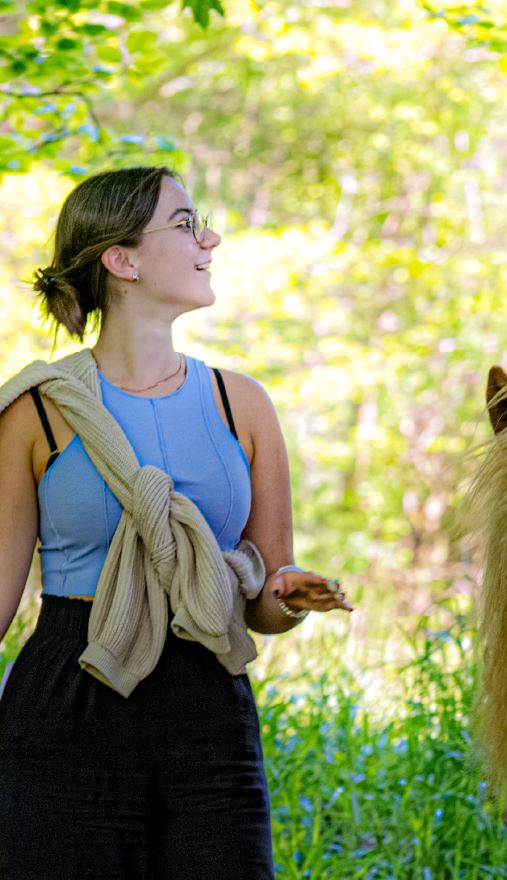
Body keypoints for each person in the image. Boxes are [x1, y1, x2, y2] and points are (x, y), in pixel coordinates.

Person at [0, 166, 352, 877]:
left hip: (207, 703)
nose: (210, 237)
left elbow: (263, 600)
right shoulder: (37, 411)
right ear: (121, 260)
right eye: (186, 223)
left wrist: (290, 597)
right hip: (67, 700)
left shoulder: (241, 404)